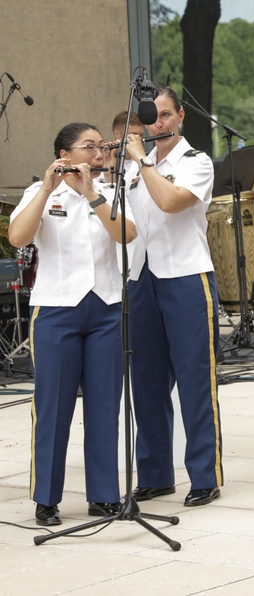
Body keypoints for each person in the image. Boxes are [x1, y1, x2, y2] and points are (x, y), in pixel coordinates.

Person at [8, 123, 137, 525]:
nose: (99, 153)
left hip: (105, 309)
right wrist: (47, 189)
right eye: (90, 146)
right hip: (57, 310)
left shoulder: (110, 192)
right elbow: (18, 237)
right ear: (65, 154)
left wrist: (92, 194)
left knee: (103, 407)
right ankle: (46, 498)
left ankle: (103, 495)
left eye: (101, 147)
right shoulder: (40, 193)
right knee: (54, 407)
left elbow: (126, 235)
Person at [123, 86, 224, 508]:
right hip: (140, 277)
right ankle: (155, 474)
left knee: (195, 381)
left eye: (165, 116)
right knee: (145, 382)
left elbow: (170, 202)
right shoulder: (131, 168)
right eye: (151, 118)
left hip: (186, 276)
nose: (157, 125)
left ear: (181, 116)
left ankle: (205, 475)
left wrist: (142, 161)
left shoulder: (196, 161)